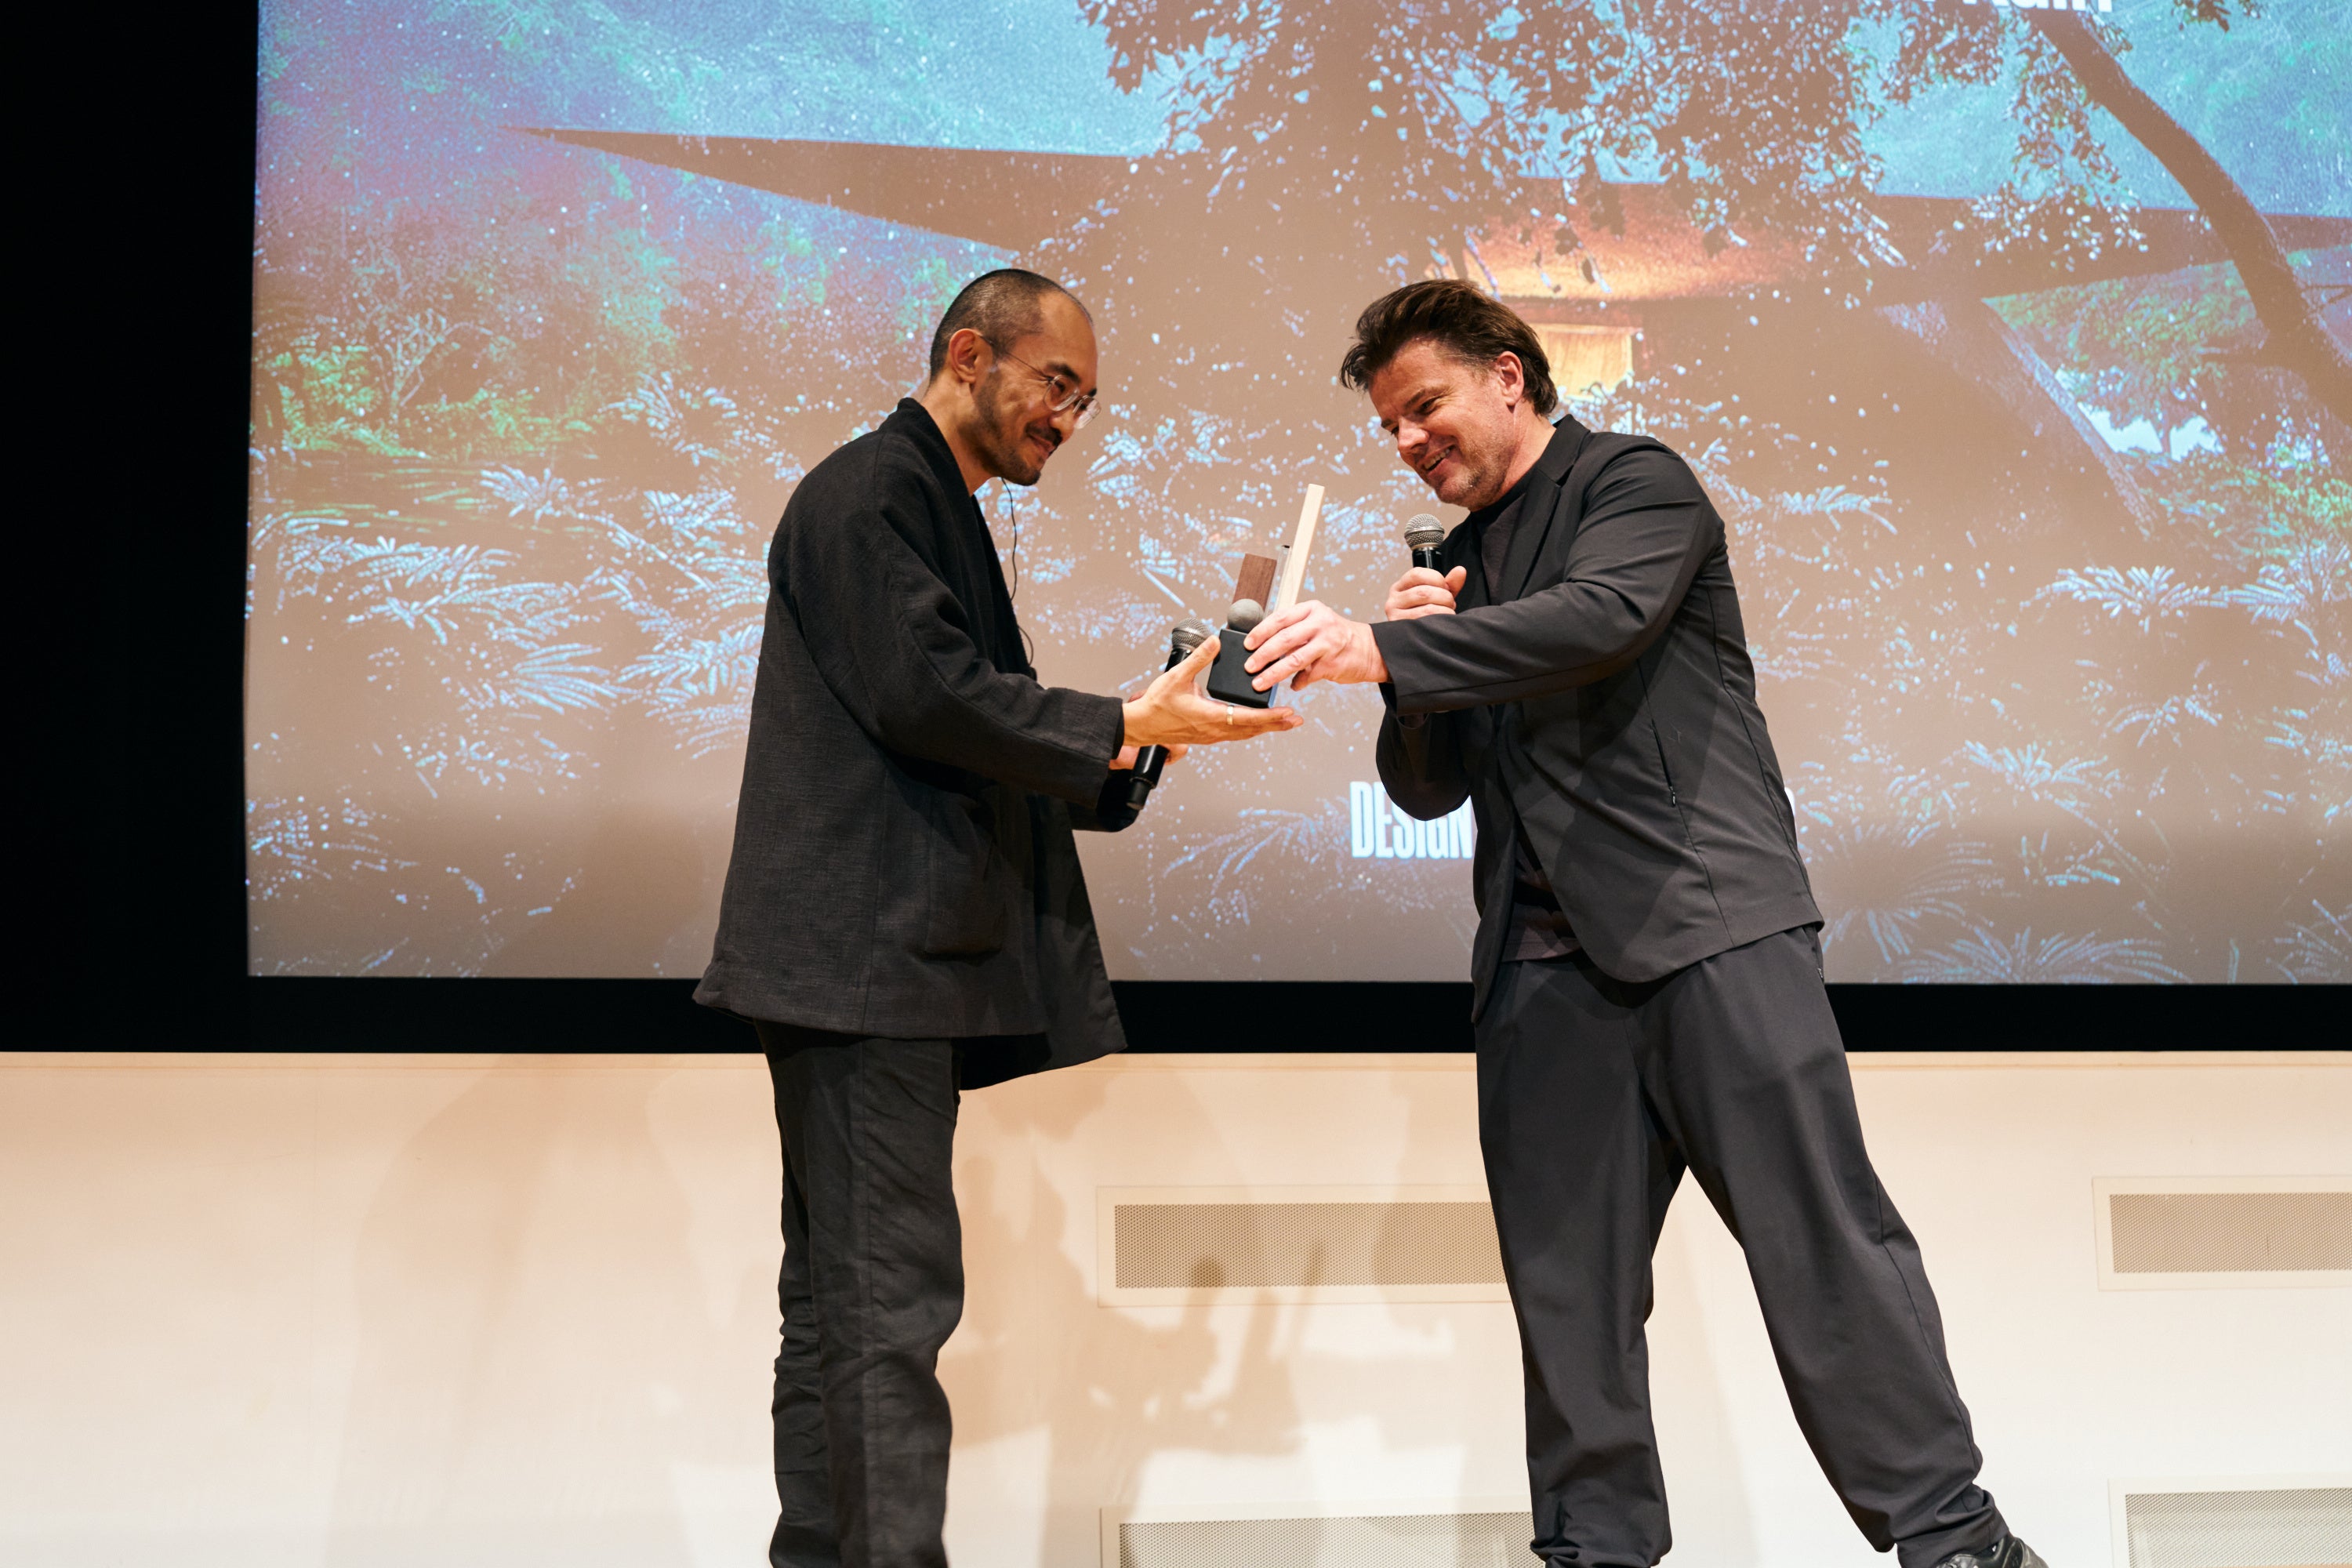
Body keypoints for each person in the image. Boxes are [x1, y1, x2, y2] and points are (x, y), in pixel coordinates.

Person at [1241, 280, 2044, 1568]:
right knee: (1569, 1302)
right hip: (1540, 974)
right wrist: (1416, 672)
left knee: (1822, 1249)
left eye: (1425, 406)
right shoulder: (1454, 567)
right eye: (1389, 425)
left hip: (1709, 928)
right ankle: (1593, 1553)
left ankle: (1957, 1544)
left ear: (1510, 375)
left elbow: (1602, 621)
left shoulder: (1635, 483)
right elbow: (1428, 791)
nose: (1408, 441)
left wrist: (1393, 655)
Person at [695, 267, 1298, 1568]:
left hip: (867, 970)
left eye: (1085, 401)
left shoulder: (928, 503)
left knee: (848, 1309)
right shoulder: (871, 493)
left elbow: (969, 722)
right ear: (970, 355)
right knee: (884, 1308)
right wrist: (1125, 719)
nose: (1067, 420)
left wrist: (1147, 736)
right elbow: (932, 695)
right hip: (863, 968)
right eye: (1054, 385)